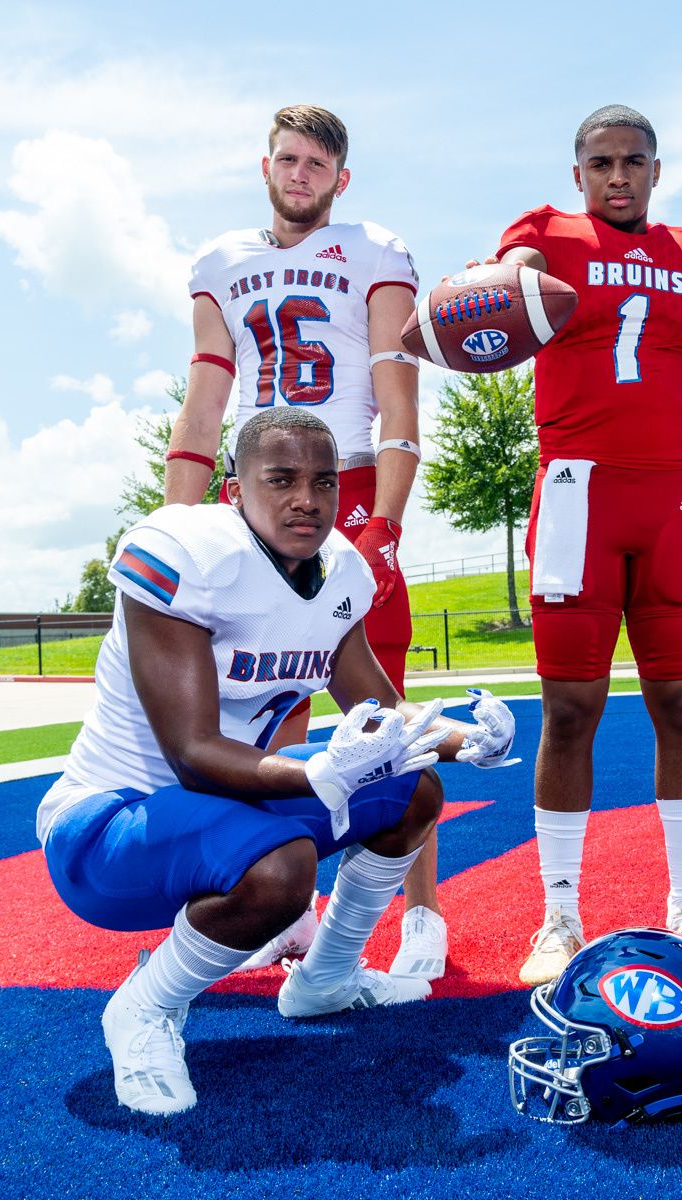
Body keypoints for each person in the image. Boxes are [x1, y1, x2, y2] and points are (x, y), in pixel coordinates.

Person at [36, 408, 520, 1116]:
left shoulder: (339, 572)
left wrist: (464, 736)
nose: (308, 499)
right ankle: (142, 1009)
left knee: (413, 789)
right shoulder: (186, 556)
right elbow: (194, 754)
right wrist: (319, 774)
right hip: (110, 827)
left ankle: (325, 979)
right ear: (235, 491)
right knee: (283, 865)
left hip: (226, 808)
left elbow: (382, 715)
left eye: (324, 482)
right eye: (282, 479)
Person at [165, 105, 447, 982]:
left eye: (317, 163)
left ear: (340, 178)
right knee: (254, 711)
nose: (300, 174)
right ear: (265, 166)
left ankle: (422, 909)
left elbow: (398, 395)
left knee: (382, 709)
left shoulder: (375, 249)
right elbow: (207, 400)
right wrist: (173, 523)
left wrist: (387, 519)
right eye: (288, 159)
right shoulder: (219, 261)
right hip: (249, 494)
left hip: (349, 479)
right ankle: (277, 908)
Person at [474, 104, 682, 983]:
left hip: (671, 495)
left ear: (657, 171)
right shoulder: (545, 236)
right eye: (601, 163)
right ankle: (558, 916)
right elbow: (505, 283)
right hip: (573, 497)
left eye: (634, 162)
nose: (619, 177)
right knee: (568, 711)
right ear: (578, 173)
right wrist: (502, 277)